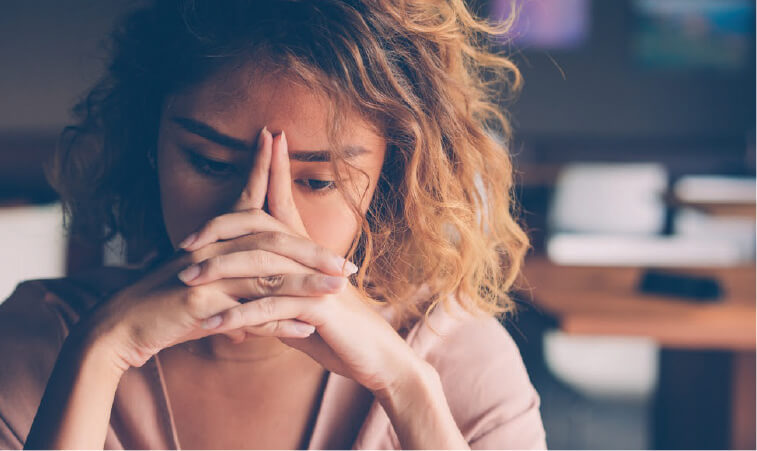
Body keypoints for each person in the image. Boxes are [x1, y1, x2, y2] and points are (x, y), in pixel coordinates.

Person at [0, 0, 546, 449]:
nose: (258, 217)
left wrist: (408, 389)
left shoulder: (455, 358)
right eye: (211, 163)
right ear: (151, 146)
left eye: (319, 180)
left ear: (390, 179)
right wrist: (99, 354)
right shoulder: (41, 341)